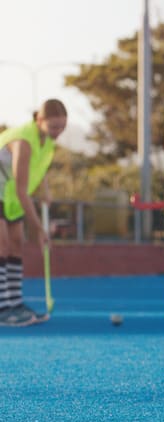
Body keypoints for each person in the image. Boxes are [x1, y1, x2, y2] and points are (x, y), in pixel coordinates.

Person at [0, 99, 67, 327]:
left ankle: (14, 304)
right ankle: (2, 308)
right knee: (2, 244)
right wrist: (39, 229)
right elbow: (22, 190)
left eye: (62, 127)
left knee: (16, 243)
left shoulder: (46, 142)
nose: (58, 132)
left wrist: (45, 190)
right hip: (7, 190)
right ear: (40, 120)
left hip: (7, 192)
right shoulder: (23, 141)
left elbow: (38, 168)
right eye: (54, 127)